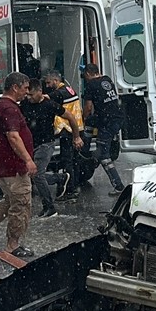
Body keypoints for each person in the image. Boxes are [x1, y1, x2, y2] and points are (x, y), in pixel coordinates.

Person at [0, 72, 36, 258]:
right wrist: (27, 159)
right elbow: (13, 136)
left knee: (9, 200)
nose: (26, 92)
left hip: (2, 165)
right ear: (15, 87)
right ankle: (13, 245)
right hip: (14, 168)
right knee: (21, 204)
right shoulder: (10, 109)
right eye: (25, 88)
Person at [82, 63, 126, 195]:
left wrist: (82, 120)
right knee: (91, 121)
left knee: (103, 154)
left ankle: (118, 185)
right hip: (116, 118)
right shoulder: (107, 79)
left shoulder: (91, 85)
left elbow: (88, 107)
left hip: (107, 122)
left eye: (85, 76)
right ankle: (86, 148)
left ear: (88, 74)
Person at [21, 79, 62, 218]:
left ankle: (50, 207)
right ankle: (60, 178)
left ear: (40, 91)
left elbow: (70, 117)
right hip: (32, 144)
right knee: (32, 174)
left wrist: (76, 136)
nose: (29, 97)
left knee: (37, 174)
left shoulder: (49, 104)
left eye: (32, 94)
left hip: (46, 144)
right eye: (27, 95)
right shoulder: (25, 104)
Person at [41, 71, 84, 200]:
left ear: (55, 80)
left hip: (68, 130)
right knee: (75, 161)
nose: (47, 85)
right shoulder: (69, 89)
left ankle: (69, 190)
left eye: (49, 82)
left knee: (67, 161)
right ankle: (75, 186)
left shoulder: (59, 93)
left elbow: (44, 98)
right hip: (77, 127)